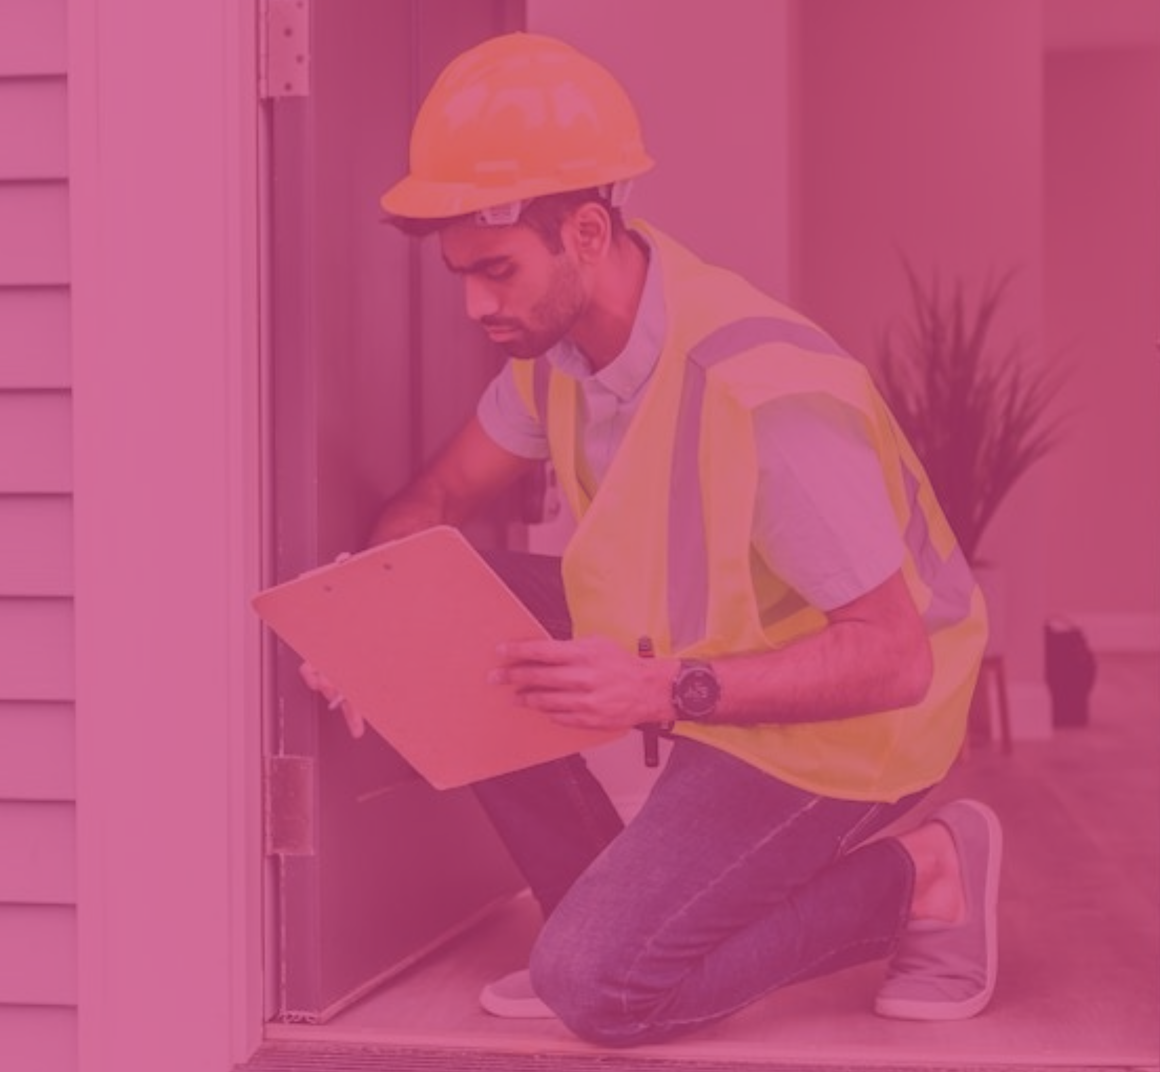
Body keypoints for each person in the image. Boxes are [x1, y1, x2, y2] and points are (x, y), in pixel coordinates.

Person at [305, 32, 1000, 1048]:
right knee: (455, 608)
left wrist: (667, 689)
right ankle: (599, 909)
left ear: (586, 232)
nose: (474, 305)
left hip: (850, 730)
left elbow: (893, 658)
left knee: (602, 988)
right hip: (708, 679)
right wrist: (382, 613)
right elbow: (438, 493)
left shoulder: (766, 394)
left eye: (495, 270)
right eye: (463, 273)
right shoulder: (561, 357)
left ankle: (930, 872)